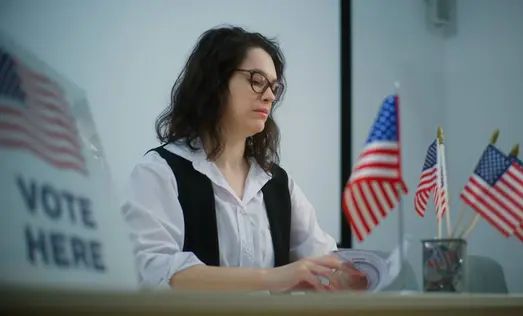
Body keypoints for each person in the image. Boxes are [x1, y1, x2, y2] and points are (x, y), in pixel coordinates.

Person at [121, 25, 367, 293]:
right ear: (214, 83)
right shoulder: (159, 173)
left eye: (274, 87)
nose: (270, 96)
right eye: (256, 80)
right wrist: (273, 277)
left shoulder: (279, 184)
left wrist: (360, 275)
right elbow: (155, 272)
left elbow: (325, 260)